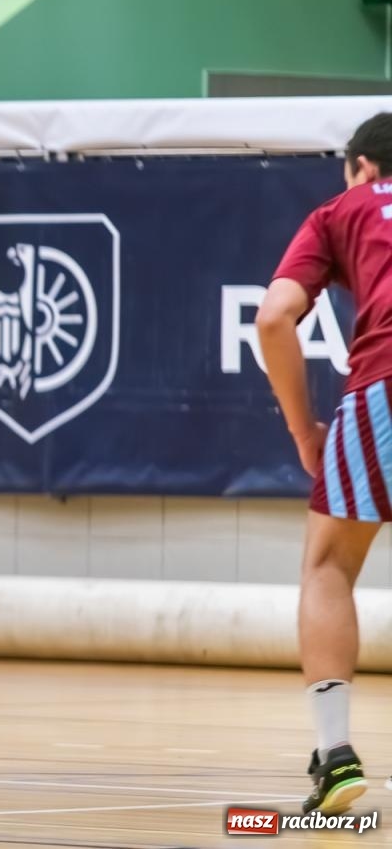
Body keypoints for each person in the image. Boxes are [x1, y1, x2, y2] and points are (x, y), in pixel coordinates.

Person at [256, 112, 392, 815]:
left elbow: (275, 317)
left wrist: (304, 430)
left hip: (384, 383)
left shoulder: (341, 210)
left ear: (363, 168)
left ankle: (336, 757)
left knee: (329, 565)